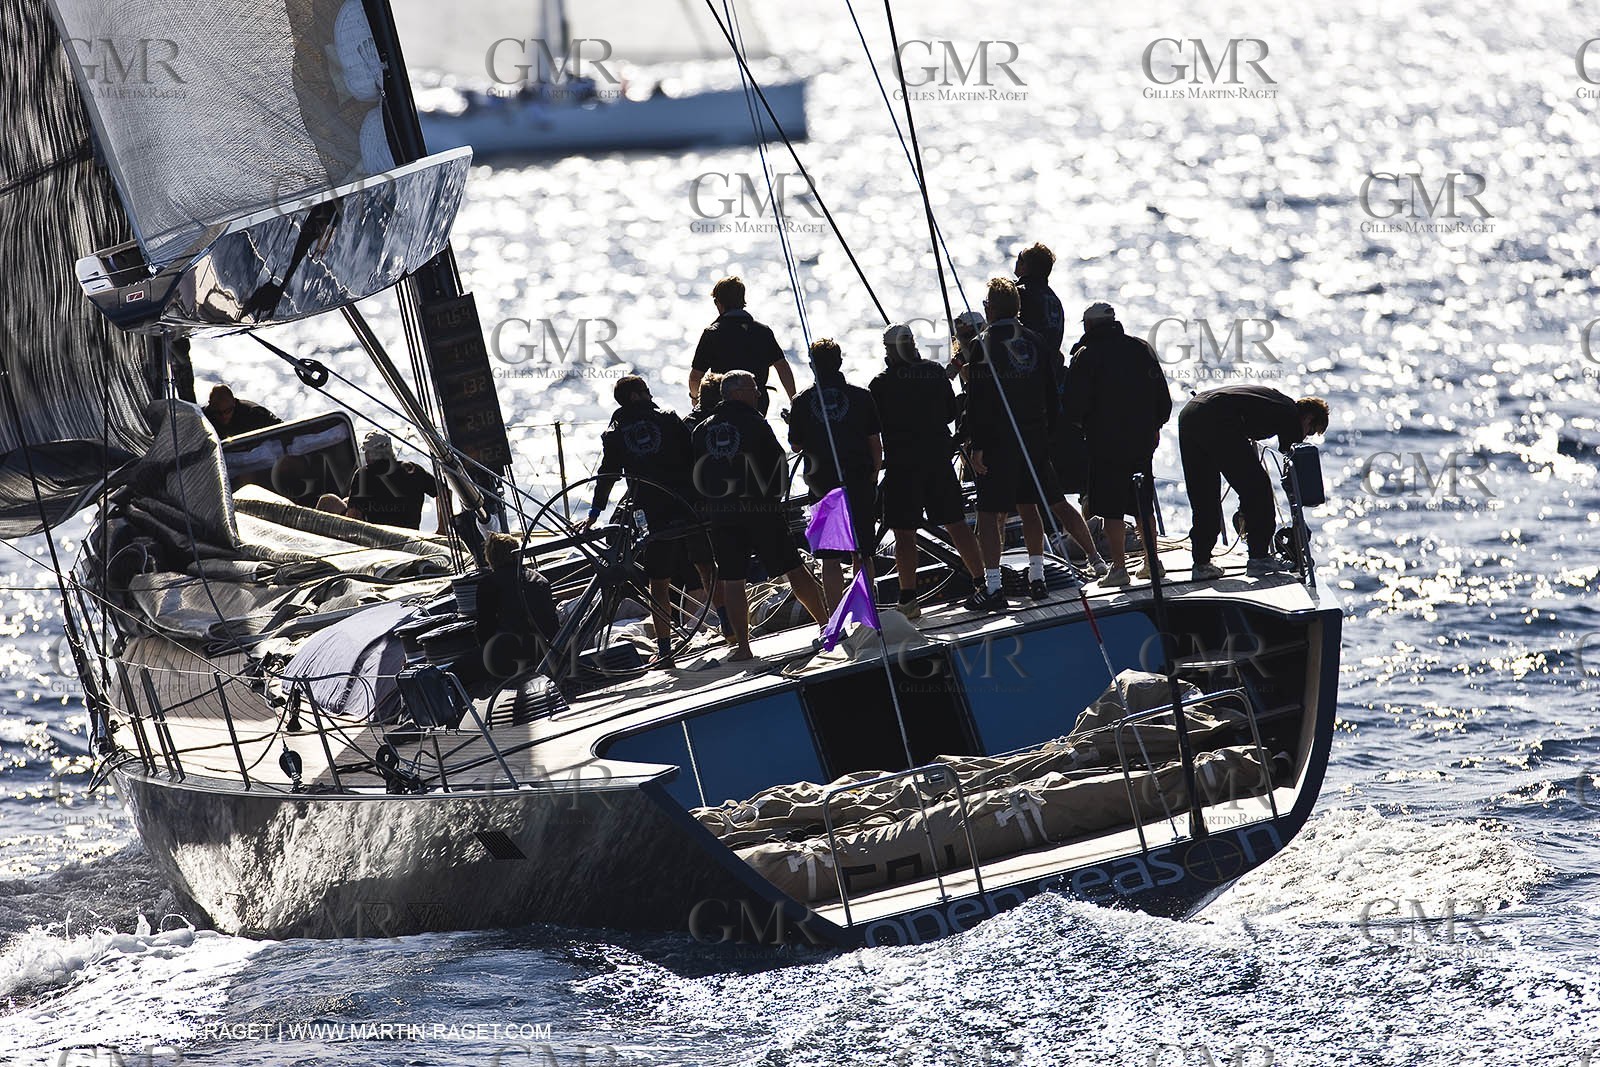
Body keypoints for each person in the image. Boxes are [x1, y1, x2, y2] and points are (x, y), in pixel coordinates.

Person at [691, 370, 827, 661]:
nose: (758, 394)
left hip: (723, 515)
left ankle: (743, 647)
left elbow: (696, 476)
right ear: (738, 393)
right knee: (793, 566)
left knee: (733, 579)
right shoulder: (755, 423)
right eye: (754, 389)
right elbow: (778, 462)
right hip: (759, 510)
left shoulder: (701, 431)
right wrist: (775, 497)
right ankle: (826, 625)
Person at [586, 375, 714, 667]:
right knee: (706, 567)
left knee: (659, 581)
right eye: (645, 390)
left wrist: (594, 513)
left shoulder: (614, 435)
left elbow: (607, 476)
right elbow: (696, 458)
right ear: (635, 396)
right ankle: (731, 632)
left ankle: (665, 650)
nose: (650, 393)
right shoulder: (668, 419)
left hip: (654, 517)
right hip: (687, 508)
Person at [870, 325, 985, 618]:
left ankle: (908, 599)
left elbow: (875, 428)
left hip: (901, 467)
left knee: (904, 533)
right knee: (956, 524)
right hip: (937, 461)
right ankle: (982, 583)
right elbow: (950, 414)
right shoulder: (934, 373)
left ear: (888, 351)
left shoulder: (880, 385)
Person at [962, 278, 1063, 611]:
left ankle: (993, 587)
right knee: (1029, 505)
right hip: (1034, 437)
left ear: (991, 307)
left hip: (997, 441)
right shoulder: (1036, 341)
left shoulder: (983, 344)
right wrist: (1049, 435)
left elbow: (977, 401)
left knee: (989, 513)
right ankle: (1038, 578)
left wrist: (976, 446)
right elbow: (1052, 392)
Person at [1064, 302, 1172, 586]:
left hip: (1105, 442)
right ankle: (1152, 562)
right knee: (1142, 503)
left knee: (1111, 506)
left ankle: (1120, 569)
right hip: (1141, 440)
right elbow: (1162, 396)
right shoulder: (1140, 348)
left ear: (1088, 326)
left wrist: (1082, 427)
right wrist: (1156, 426)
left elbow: (1073, 406)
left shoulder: (1086, 355)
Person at [1179, 386, 1330, 578]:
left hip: (1191, 412)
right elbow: (1291, 454)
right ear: (1308, 418)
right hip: (1218, 418)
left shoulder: (1275, 401)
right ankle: (1259, 558)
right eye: (1309, 431)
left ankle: (1201, 563)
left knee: (1204, 493)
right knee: (1259, 490)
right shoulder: (1290, 413)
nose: (1305, 436)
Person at [787, 339, 882, 612]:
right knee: (862, 551)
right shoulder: (861, 396)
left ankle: (835, 617)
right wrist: (874, 475)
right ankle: (866, 609)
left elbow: (796, 445)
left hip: (822, 483)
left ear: (811, 366)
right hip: (859, 479)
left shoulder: (802, 402)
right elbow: (875, 443)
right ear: (840, 362)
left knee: (829, 557)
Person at [688, 276, 796, 416]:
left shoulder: (713, 333)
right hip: (757, 404)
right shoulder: (763, 331)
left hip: (723, 406)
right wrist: (794, 401)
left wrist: (695, 399)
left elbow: (696, 376)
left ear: (717, 302)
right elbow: (782, 367)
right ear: (742, 300)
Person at [475, 531, 560, 682]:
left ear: (490, 557)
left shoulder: (489, 584)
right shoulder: (540, 579)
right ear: (517, 554)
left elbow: (484, 629)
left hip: (513, 655)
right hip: (547, 651)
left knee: (457, 671)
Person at [347, 431, 438, 530]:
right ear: (390, 450)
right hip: (411, 539)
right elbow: (445, 493)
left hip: (377, 540)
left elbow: (353, 517)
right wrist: (442, 529)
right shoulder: (413, 469)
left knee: (330, 501)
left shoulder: (363, 475)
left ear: (369, 454)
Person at [203, 384, 279, 438]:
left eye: (228, 411)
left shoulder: (254, 413)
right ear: (210, 405)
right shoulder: (202, 418)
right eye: (218, 413)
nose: (224, 416)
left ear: (234, 402)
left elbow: (282, 430)